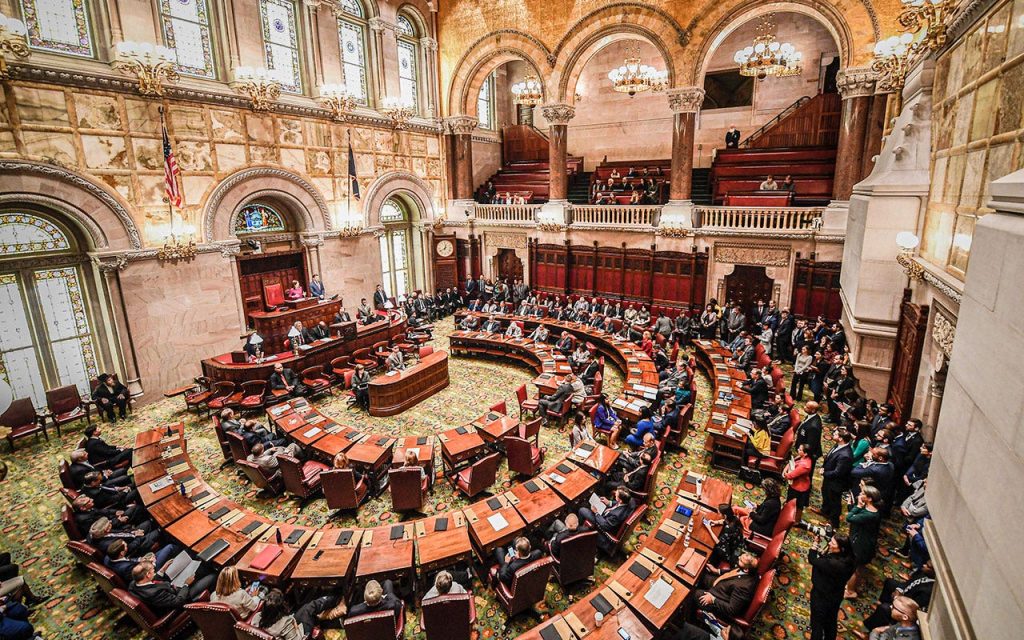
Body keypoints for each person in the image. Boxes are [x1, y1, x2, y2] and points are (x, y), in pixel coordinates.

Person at [808, 534, 857, 640]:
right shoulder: (851, 560)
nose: (829, 543)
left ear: (841, 548)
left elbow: (812, 559)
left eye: (833, 543)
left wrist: (815, 543)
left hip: (821, 596)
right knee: (830, 622)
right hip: (836, 595)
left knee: (817, 625)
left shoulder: (831, 563)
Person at [861, 562, 934, 632]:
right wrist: (899, 590)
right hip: (904, 593)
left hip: (905, 606)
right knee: (890, 583)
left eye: (928, 566)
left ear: (933, 572)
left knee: (884, 608)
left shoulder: (928, 592)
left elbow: (911, 608)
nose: (924, 565)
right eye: (926, 564)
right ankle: (878, 612)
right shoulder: (923, 572)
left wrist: (897, 599)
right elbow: (908, 582)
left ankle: (869, 630)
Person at [129, 560, 216, 616]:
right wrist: (186, 584)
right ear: (148, 575)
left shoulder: (134, 584)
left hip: (173, 589)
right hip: (182, 598)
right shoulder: (154, 594)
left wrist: (162, 570)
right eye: (153, 570)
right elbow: (179, 601)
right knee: (213, 576)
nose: (154, 571)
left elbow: (151, 583)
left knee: (201, 569)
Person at [693, 552, 759, 622]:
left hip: (719, 599)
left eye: (741, 560)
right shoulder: (746, 568)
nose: (739, 557)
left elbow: (732, 610)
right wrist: (717, 571)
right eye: (741, 556)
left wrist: (713, 600)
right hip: (722, 583)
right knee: (701, 574)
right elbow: (733, 572)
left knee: (695, 593)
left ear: (746, 570)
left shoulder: (743, 588)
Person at [260, 587, 346, 639]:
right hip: (302, 635)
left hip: (292, 625)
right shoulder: (285, 623)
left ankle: (331, 600)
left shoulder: (257, 617)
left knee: (306, 608)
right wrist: (295, 625)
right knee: (310, 607)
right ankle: (336, 598)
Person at [845, 485, 883, 600]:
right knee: (857, 567)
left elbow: (849, 518)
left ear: (870, 498)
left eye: (862, 494)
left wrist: (857, 506)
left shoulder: (869, 515)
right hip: (864, 540)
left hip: (861, 544)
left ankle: (850, 591)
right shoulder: (872, 509)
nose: (859, 495)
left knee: (855, 569)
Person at [104, 538, 180, 588]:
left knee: (161, 550)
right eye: (126, 546)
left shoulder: (108, 557)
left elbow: (127, 560)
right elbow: (141, 576)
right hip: (150, 572)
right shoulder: (126, 568)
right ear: (121, 553)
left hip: (143, 565)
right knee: (170, 547)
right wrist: (152, 563)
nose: (128, 547)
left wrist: (140, 560)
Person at [578, 487, 635, 552]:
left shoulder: (617, 515)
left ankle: (579, 530)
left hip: (603, 522)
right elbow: (618, 504)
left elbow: (605, 525)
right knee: (598, 498)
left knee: (582, 510)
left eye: (616, 495)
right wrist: (609, 502)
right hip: (608, 514)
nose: (615, 493)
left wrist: (596, 513)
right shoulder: (629, 501)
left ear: (620, 500)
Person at [820, 430, 855, 529]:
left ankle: (834, 523)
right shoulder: (838, 445)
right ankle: (825, 511)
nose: (832, 434)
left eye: (835, 434)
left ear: (840, 438)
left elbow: (838, 472)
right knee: (826, 494)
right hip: (829, 478)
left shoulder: (845, 455)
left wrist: (824, 473)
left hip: (836, 483)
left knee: (834, 502)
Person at [784, 444, 813, 523]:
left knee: (796, 504)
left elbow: (790, 476)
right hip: (798, 483)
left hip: (799, 487)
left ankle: (795, 520)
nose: (798, 450)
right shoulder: (803, 457)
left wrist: (785, 473)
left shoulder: (805, 465)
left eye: (800, 450)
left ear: (805, 453)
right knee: (794, 503)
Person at [795, 401, 824, 470]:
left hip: (808, 454)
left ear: (813, 410)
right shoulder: (811, 416)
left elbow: (810, 445)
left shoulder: (813, 427)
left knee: (806, 471)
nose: (804, 407)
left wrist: (803, 454)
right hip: (802, 448)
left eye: (807, 407)